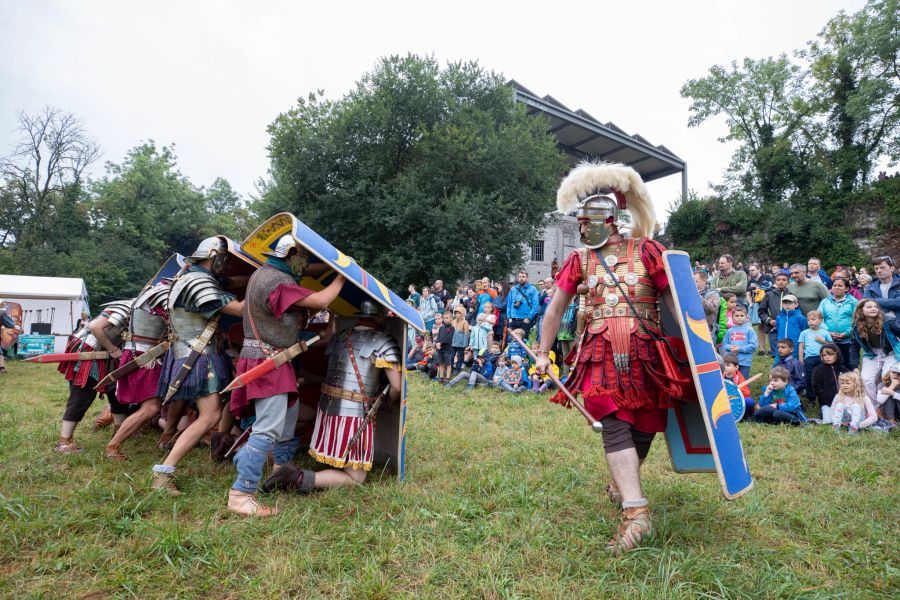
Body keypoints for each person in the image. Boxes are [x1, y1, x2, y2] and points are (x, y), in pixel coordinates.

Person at [535, 161, 673, 555]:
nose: (582, 228)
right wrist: (544, 353)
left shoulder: (648, 250)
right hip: (600, 351)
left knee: (645, 424)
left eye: (587, 221)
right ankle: (636, 511)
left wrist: (701, 353)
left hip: (647, 351)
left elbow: (675, 306)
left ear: (611, 219)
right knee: (611, 418)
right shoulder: (579, 260)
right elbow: (555, 310)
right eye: (580, 222)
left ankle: (621, 486)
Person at [227, 235, 346, 516]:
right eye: (301, 259)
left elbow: (303, 282)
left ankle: (269, 465)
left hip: (271, 359)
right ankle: (241, 492)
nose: (304, 266)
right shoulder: (276, 280)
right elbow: (320, 300)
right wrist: (344, 275)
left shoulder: (268, 273)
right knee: (268, 428)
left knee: (284, 421)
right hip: (267, 362)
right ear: (291, 255)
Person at [262, 300, 402, 494]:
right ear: (380, 316)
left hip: (328, 410)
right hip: (352, 416)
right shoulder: (383, 341)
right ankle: (294, 477)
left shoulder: (342, 336)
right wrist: (389, 401)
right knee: (356, 478)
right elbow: (396, 385)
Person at [151, 237, 245, 495]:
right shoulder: (199, 281)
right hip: (199, 354)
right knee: (210, 415)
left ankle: (167, 453)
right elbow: (237, 308)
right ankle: (163, 472)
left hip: (194, 351)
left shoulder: (193, 276)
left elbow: (229, 284)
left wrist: (254, 278)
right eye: (223, 259)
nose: (225, 266)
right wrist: (269, 294)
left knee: (210, 413)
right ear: (214, 256)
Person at [54, 299, 132, 453]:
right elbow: (95, 327)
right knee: (82, 395)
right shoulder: (127, 308)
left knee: (117, 392)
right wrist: (112, 349)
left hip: (109, 355)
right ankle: (64, 443)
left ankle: (118, 435)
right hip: (91, 350)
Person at [103, 281, 171, 461]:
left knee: (150, 407)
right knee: (151, 407)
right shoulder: (164, 293)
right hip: (145, 355)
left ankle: (114, 443)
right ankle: (113, 446)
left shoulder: (151, 292)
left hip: (139, 353)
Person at [850, 299, 900, 405]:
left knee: (887, 378)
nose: (873, 308)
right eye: (869, 307)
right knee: (866, 380)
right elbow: (854, 346)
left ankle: (885, 410)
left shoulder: (888, 321)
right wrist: (855, 366)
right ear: (861, 310)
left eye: (875, 307)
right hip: (871, 354)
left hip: (890, 353)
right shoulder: (856, 326)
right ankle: (873, 408)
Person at [818, 276, 859, 369]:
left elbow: (857, 320)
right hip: (829, 339)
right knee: (831, 365)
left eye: (840, 286)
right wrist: (828, 332)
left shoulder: (853, 302)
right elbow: (819, 318)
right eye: (834, 285)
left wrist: (847, 332)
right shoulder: (825, 302)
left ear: (847, 288)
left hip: (848, 340)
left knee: (849, 364)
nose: (836, 287)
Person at [798, 310, 832, 405]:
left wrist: (823, 342)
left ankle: (825, 397)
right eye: (808, 320)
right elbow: (801, 346)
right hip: (809, 359)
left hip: (823, 358)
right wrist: (801, 358)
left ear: (820, 320)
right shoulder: (804, 333)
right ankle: (811, 399)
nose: (810, 321)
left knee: (823, 378)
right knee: (810, 378)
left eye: (813, 319)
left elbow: (831, 345)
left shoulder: (825, 333)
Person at [810, 343, 850, 420]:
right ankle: (823, 413)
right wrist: (825, 398)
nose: (827, 357)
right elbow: (816, 387)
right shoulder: (818, 370)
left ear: (837, 354)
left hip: (845, 403)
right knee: (828, 421)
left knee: (848, 419)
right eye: (824, 355)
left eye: (830, 354)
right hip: (827, 404)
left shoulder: (844, 370)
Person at [719, 306, 757, 379]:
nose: (739, 317)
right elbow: (724, 344)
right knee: (730, 379)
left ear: (746, 317)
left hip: (745, 361)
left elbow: (753, 346)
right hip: (731, 362)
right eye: (736, 316)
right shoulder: (729, 331)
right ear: (732, 318)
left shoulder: (750, 330)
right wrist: (730, 347)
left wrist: (740, 349)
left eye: (742, 315)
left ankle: (743, 391)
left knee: (743, 379)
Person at [506, 270, 539, 338]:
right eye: (520, 277)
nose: (521, 278)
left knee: (524, 341)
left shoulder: (532, 289)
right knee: (512, 341)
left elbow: (535, 305)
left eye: (523, 277)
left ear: (527, 278)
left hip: (525, 319)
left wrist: (529, 318)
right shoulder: (513, 289)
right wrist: (509, 317)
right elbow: (509, 304)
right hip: (513, 319)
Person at [694, 271, 723, 342]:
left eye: (696, 281)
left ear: (704, 281)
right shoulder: (691, 294)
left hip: (708, 330)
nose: (693, 284)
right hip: (694, 328)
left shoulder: (713, 293)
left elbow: (712, 308)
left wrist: (698, 297)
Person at [434, 311, 455, 383]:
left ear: (451, 319)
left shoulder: (452, 328)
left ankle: (448, 378)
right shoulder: (441, 328)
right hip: (440, 349)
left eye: (447, 318)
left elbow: (449, 339)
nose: (445, 319)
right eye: (444, 318)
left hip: (447, 349)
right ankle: (441, 377)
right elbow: (438, 337)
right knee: (441, 363)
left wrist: (441, 343)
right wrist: (437, 343)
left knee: (448, 364)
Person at [449, 307, 470, 373]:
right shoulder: (452, 321)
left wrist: (465, 344)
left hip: (461, 343)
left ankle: (458, 368)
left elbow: (466, 334)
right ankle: (451, 368)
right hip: (453, 342)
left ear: (462, 314)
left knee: (460, 356)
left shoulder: (465, 322)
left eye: (459, 313)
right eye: (456, 313)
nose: (457, 315)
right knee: (451, 356)